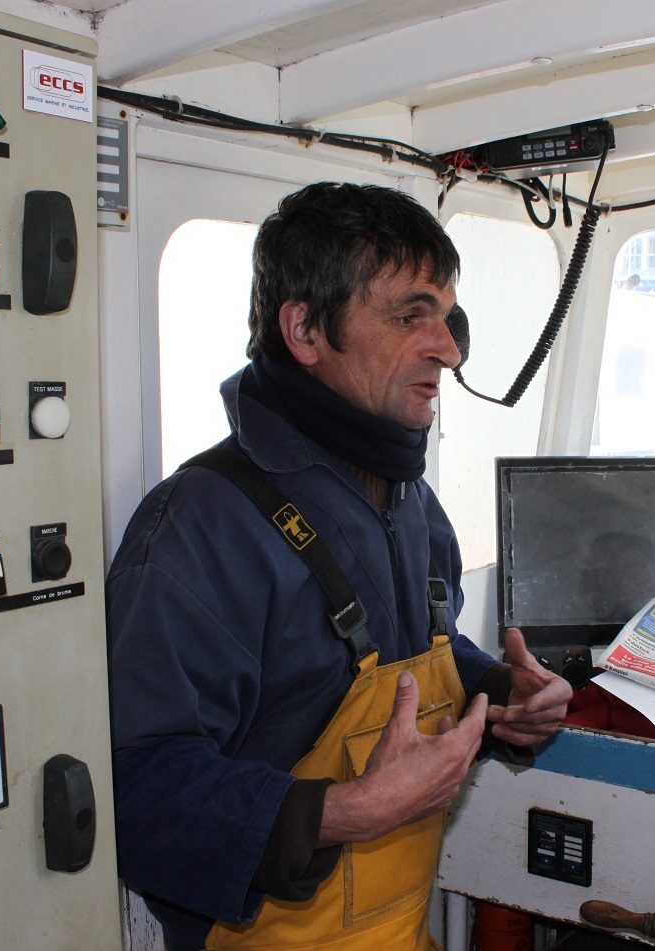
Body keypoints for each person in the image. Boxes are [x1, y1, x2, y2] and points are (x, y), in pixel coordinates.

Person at [106, 181, 572, 950]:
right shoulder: (199, 526)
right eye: (408, 315)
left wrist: (498, 693)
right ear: (306, 329)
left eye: (449, 317)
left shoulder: (413, 503)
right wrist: (345, 812)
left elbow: (415, 658)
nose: (449, 349)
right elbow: (134, 791)